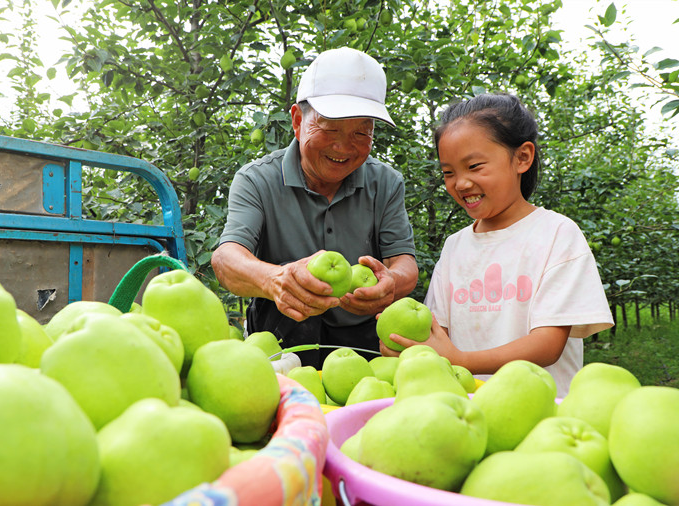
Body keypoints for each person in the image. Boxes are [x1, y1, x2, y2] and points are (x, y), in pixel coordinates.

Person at [381, 93, 613, 397]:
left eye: (474, 166)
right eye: (448, 173)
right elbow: (438, 334)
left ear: (522, 158)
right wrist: (410, 345)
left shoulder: (556, 234)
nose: (460, 183)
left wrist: (459, 360)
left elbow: (548, 344)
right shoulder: (455, 247)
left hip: (542, 412)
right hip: (465, 411)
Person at [211, 47, 419, 368]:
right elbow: (226, 259)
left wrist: (390, 281)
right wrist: (275, 279)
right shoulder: (257, 180)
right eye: (330, 128)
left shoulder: (386, 183)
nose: (343, 146)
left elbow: (404, 263)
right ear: (297, 120)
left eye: (361, 132)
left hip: (364, 346)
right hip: (278, 339)